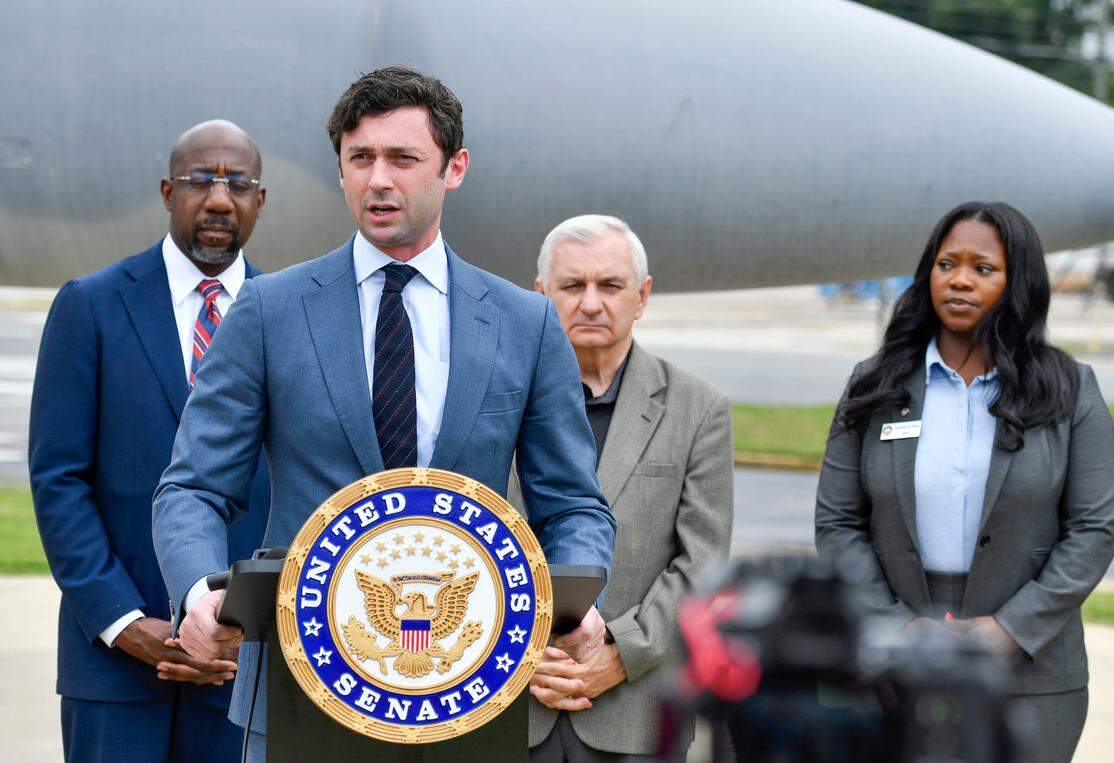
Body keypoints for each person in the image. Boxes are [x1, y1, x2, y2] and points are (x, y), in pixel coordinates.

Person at [151, 67, 616, 757]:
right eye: (360, 158)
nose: (378, 180)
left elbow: (574, 505)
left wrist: (580, 601)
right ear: (339, 167)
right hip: (299, 688)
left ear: (455, 168)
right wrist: (197, 592)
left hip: (471, 689)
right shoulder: (269, 311)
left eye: (403, 158)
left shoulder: (526, 324)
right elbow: (193, 486)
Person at [815, 201, 1114, 763]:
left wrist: (1010, 629)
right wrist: (897, 626)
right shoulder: (874, 384)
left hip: (1033, 673)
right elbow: (837, 524)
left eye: (983, 268)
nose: (959, 280)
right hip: (892, 669)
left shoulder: (1071, 389)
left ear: (1016, 282)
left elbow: (1094, 529)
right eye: (946, 264)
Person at [28, 120, 272, 761]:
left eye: (238, 184)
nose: (219, 200)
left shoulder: (288, 317)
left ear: (259, 200)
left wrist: (239, 629)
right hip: (114, 669)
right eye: (200, 180)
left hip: (244, 670)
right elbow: (59, 480)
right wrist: (125, 623)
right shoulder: (90, 305)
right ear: (168, 192)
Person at [514, 215, 734, 761]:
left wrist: (620, 652)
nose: (591, 303)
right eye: (572, 285)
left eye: (610, 285)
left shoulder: (698, 409)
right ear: (540, 295)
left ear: (642, 296)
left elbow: (702, 563)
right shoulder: (498, 401)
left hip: (633, 713)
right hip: (510, 707)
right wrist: (517, 653)